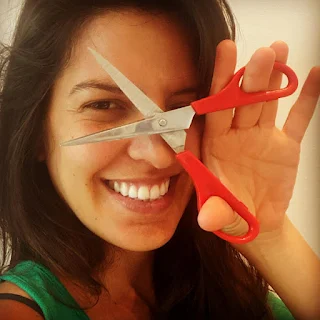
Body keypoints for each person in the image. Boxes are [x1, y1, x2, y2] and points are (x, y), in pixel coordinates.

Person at [0, 0, 319, 319]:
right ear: (37, 131)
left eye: (184, 107)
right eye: (104, 106)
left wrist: (272, 239)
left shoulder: (228, 287)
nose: (158, 155)